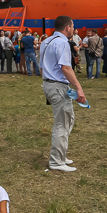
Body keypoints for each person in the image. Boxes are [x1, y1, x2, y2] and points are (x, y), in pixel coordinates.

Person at [39, 16, 86, 172]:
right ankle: (56, 161)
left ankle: (61, 154)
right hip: (57, 85)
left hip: (50, 84)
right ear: (67, 27)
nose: (73, 29)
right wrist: (78, 87)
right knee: (62, 124)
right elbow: (65, 67)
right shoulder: (62, 42)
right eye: (73, 26)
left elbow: (41, 67)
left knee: (67, 120)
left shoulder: (46, 41)